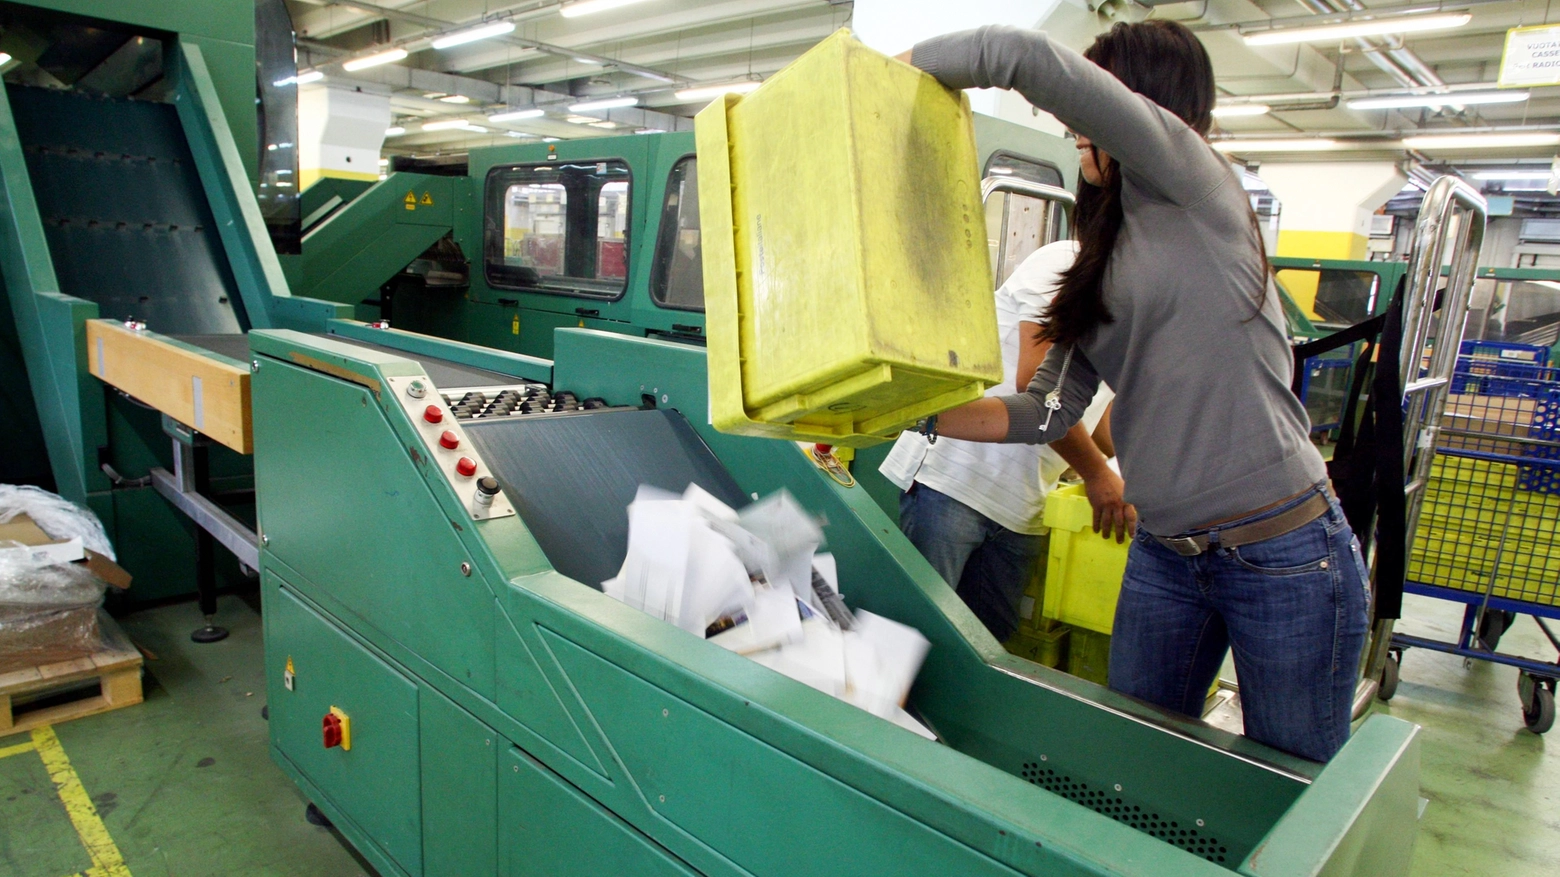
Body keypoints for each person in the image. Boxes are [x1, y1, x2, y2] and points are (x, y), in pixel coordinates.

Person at [899, 20, 1369, 762]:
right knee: (1135, 767)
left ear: (1144, 106)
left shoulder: (1194, 181)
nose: (1073, 125)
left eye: (1094, 102)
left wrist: (880, 79)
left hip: (1282, 548)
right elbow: (1045, 409)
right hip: (1166, 555)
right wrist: (915, 411)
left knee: (1290, 783)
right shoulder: (1104, 258)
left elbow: (1018, 56)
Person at [881, 239, 1115, 643]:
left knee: (989, 648)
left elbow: (1101, 432)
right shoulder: (1066, 263)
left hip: (1023, 507)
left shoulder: (1137, 312)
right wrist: (1097, 473)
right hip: (956, 478)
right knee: (916, 635)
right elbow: (1040, 389)